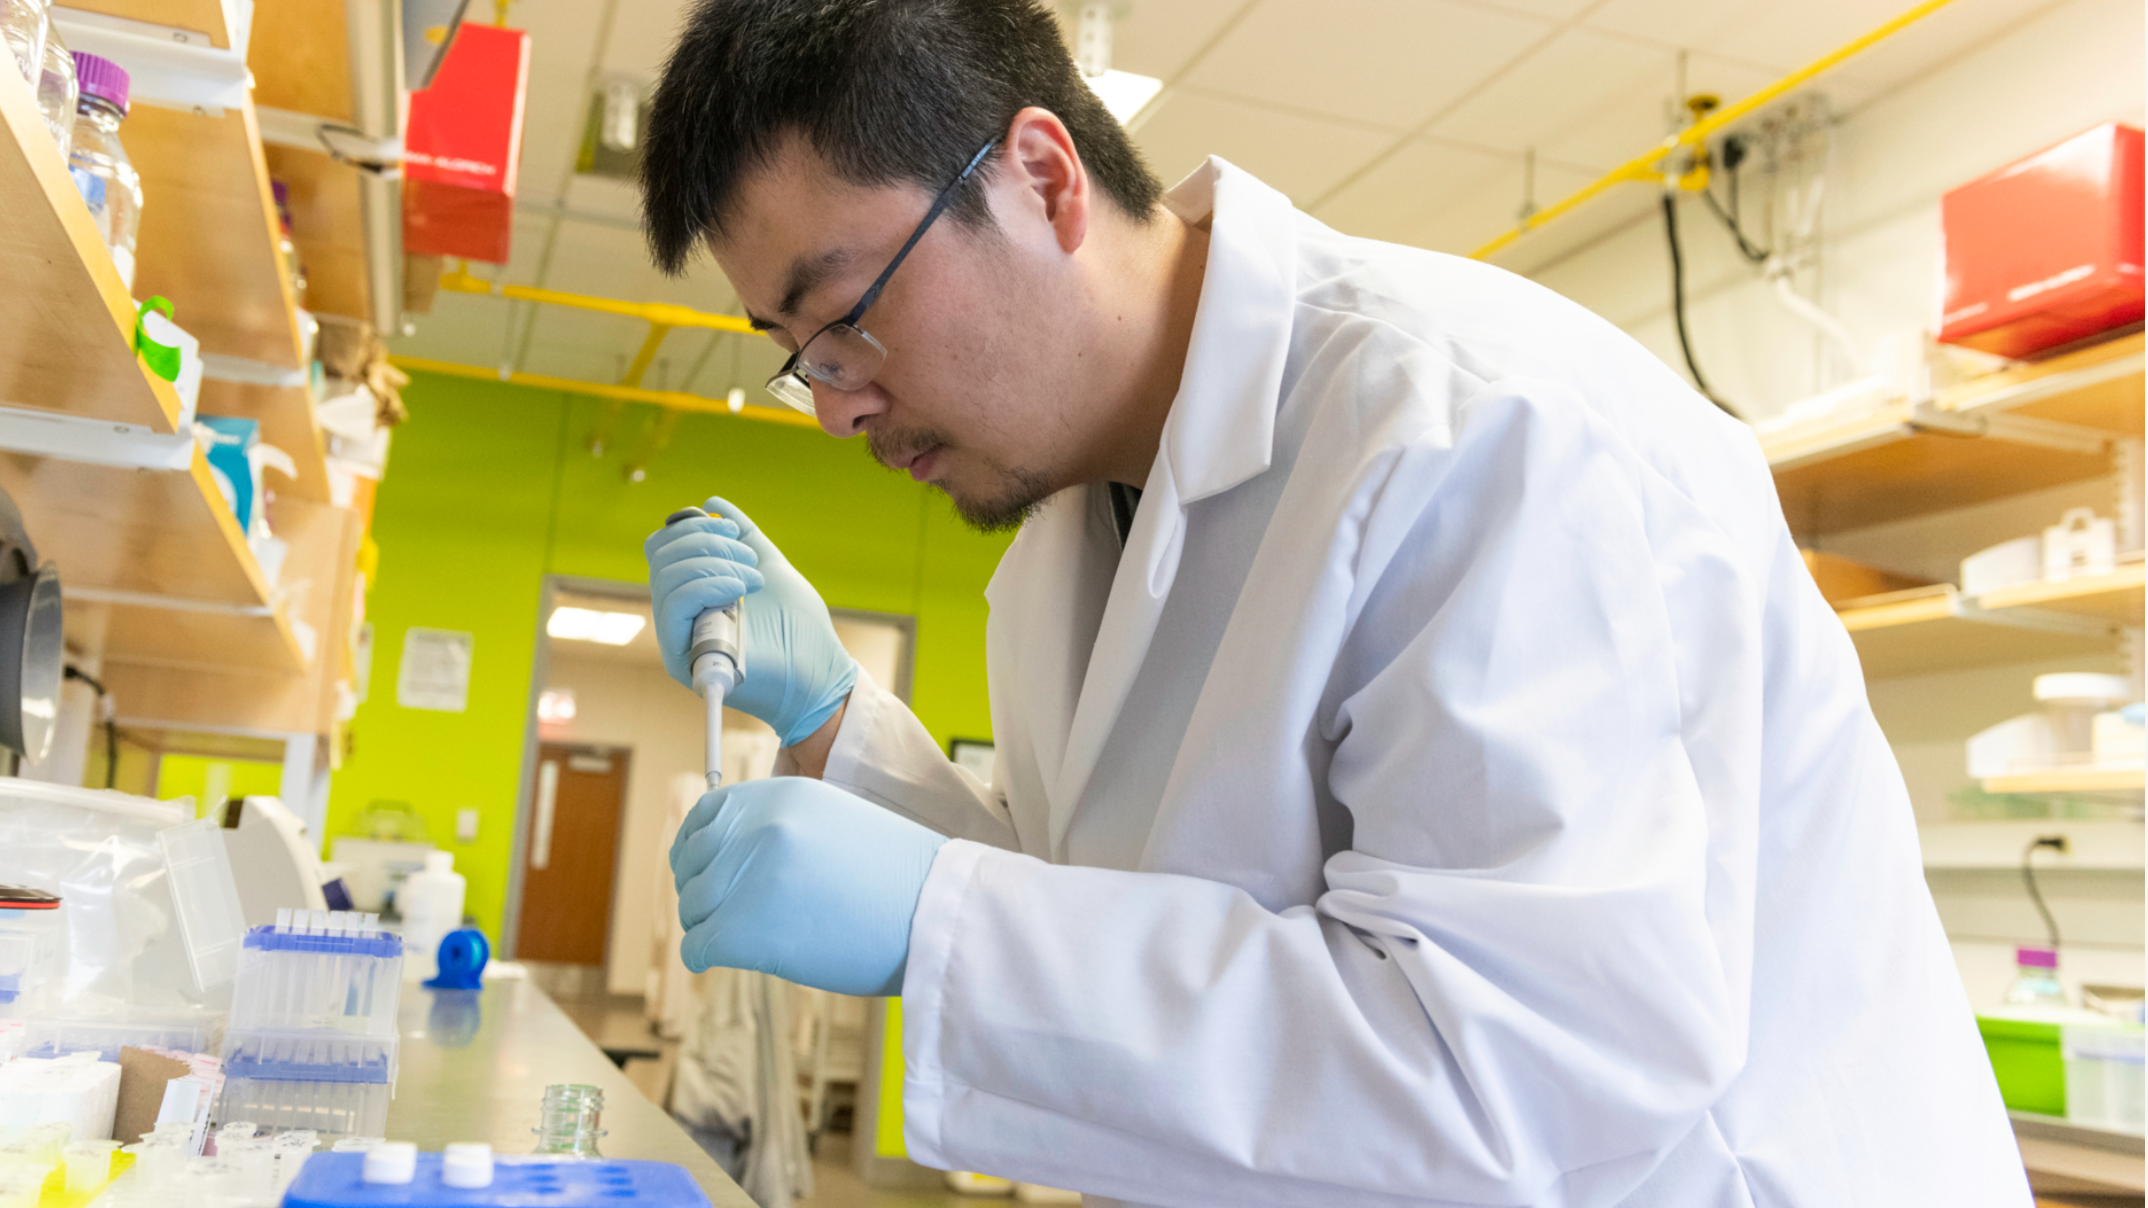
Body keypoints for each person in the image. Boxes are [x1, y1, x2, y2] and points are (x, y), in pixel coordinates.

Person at [638, 2, 2028, 1204]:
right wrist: (833, 729)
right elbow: (1120, 917)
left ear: (1043, 180)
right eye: (795, 355)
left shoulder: (1470, 432)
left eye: (847, 316)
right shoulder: (1076, 523)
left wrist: (934, 922)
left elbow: (1514, 1065)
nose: (834, 405)